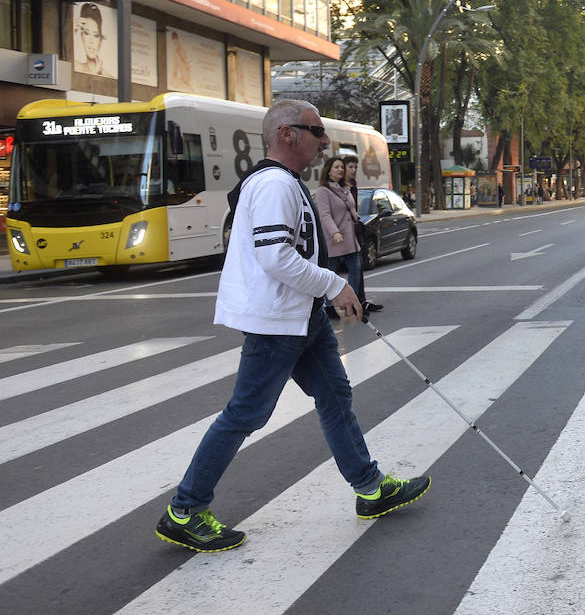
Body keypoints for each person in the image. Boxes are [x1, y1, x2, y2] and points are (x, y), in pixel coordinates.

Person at [154, 99, 430, 554]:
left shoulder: (285, 183)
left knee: (335, 395)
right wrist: (334, 285)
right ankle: (184, 511)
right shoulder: (272, 185)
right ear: (287, 133)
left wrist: (321, 295)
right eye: (316, 131)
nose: (324, 141)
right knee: (246, 414)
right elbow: (275, 256)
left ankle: (370, 487)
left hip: (301, 317)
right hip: (276, 321)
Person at [317, 156, 365, 323]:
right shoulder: (323, 191)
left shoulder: (345, 188)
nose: (340, 170)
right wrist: (334, 232)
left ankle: (351, 303)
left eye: (341, 167)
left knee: (356, 269)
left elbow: (349, 208)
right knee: (331, 272)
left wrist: (356, 217)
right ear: (328, 170)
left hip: (350, 237)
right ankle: (328, 305)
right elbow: (324, 215)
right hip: (334, 238)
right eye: (336, 167)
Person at [343, 156, 382, 317]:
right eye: (350, 167)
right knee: (342, 268)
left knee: (357, 267)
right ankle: (350, 304)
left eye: (355, 167)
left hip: (353, 229)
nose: (353, 170)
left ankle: (361, 301)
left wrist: (357, 220)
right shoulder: (339, 187)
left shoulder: (353, 185)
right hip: (341, 233)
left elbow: (353, 208)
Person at [74, 3, 108, 76]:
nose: (91, 41)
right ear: (81, 36)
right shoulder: (76, 67)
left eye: (96, 35)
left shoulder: (109, 76)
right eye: (86, 33)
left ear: (100, 40)